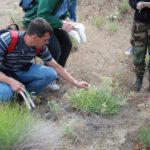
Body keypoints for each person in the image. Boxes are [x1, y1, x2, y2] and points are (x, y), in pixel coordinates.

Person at [0, 18, 89, 102]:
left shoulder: (40, 46)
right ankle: (12, 95)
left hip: (21, 71)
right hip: (3, 74)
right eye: (45, 40)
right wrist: (10, 81)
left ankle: (25, 96)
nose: (47, 43)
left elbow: (56, 67)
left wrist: (76, 83)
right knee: (5, 94)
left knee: (51, 74)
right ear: (35, 37)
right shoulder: (6, 40)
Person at [23, 0, 77, 90]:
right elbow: (42, 15)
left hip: (52, 20)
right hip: (36, 21)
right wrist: (60, 24)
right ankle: (49, 78)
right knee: (55, 49)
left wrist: (66, 17)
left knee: (67, 45)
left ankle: (58, 74)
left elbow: (64, 8)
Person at [129, 0, 150, 91]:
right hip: (139, 24)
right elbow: (132, 1)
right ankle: (139, 78)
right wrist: (136, 4)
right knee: (138, 53)